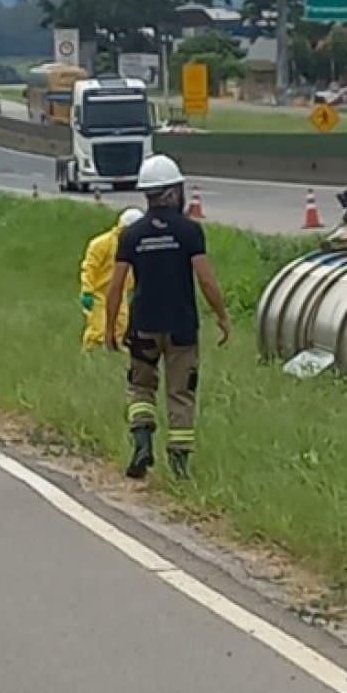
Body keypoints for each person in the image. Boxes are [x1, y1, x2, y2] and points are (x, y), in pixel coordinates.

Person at [104, 155, 232, 481]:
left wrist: (109, 329)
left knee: (140, 388)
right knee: (180, 393)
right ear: (173, 193)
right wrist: (222, 317)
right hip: (182, 327)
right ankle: (179, 466)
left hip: (143, 325)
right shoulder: (189, 231)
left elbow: (115, 286)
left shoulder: (131, 235)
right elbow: (206, 279)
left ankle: (142, 442)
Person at [79, 207, 143, 352]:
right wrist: (87, 291)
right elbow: (89, 268)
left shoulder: (134, 246)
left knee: (120, 326)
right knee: (99, 329)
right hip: (98, 294)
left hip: (120, 294)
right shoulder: (101, 244)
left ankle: (112, 355)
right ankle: (90, 354)